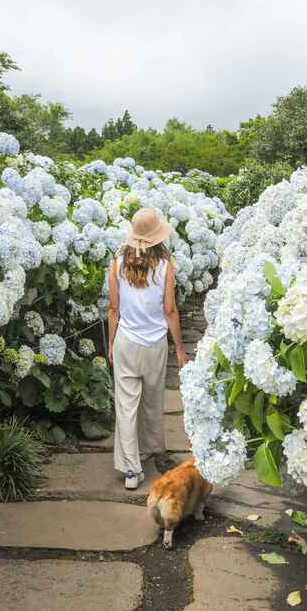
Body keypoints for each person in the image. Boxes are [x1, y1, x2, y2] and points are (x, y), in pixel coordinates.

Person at [107, 207, 190, 489]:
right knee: (152, 402)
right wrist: (180, 347)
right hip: (154, 344)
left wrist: (110, 343)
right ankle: (152, 449)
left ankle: (132, 470)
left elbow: (114, 309)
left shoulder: (117, 262)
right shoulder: (166, 265)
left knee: (126, 406)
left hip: (126, 342)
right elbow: (170, 310)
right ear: (157, 237)